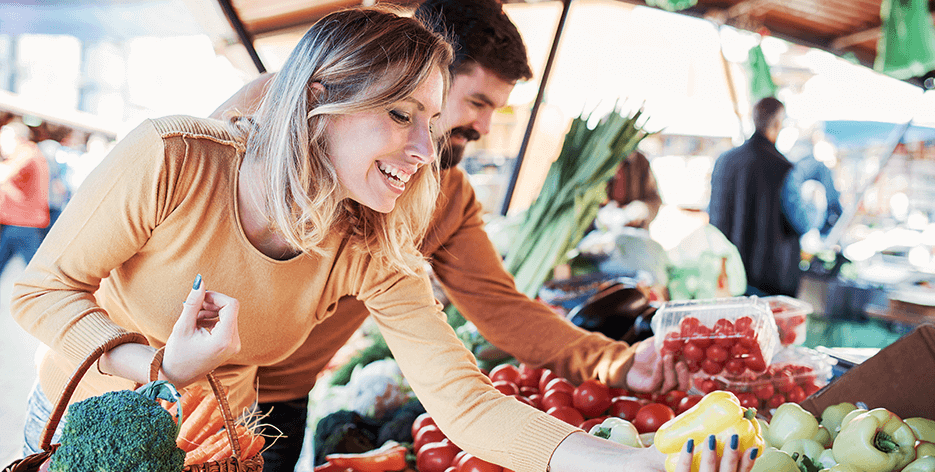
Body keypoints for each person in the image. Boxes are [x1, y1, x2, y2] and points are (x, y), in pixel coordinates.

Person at [11, 7, 754, 472]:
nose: (427, 148)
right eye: (402, 115)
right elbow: (41, 292)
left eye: (432, 120)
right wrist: (160, 364)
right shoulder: (174, 155)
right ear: (318, 99)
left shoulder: (373, 242)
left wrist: (636, 466)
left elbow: (464, 401)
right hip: (86, 415)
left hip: (222, 444)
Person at [214, 0, 692, 469]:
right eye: (477, 102)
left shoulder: (444, 197)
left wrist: (618, 364)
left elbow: (500, 309)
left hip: (278, 404)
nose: (483, 126)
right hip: (186, 382)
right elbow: (189, 218)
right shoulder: (273, 105)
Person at [708, 96, 800, 297]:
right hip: (769, 281)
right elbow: (798, 222)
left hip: (727, 274)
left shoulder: (724, 161)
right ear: (777, 124)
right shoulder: (784, 168)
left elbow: (714, 217)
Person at [0, 121, 49, 278]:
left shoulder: (25, 152)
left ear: (18, 139)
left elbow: (3, 175)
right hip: (21, 222)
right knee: (36, 274)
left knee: (37, 277)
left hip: (23, 223)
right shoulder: (31, 152)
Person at [605, 150, 663, 229]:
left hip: (632, 232)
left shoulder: (639, 161)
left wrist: (641, 210)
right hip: (596, 232)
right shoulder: (600, 157)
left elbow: (655, 201)